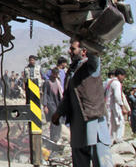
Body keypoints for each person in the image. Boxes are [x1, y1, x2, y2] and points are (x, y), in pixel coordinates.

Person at [52, 38, 112, 167]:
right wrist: (58, 113)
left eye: (73, 48)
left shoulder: (91, 66)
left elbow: (94, 55)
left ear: (84, 51)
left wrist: (86, 36)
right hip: (77, 128)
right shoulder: (71, 71)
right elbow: (68, 96)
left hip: (94, 125)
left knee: (102, 163)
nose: (69, 51)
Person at [105, 68, 127, 144]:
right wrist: (123, 107)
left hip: (108, 106)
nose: (124, 78)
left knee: (111, 124)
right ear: (120, 75)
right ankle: (118, 138)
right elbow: (118, 97)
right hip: (114, 106)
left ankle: (111, 139)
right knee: (120, 122)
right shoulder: (116, 83)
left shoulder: (109, 82)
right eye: (123, 76)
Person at [42, 67, 63, 143]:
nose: (55, 75)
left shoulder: (58, 81)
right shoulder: (47, 82)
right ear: (52, 73)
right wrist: (45, 106)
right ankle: (53, 137)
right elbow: (45, 94)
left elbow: (60, 93)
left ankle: (57, 136)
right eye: (54, 73)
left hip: (58, 103)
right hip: (50, 103)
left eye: (57, 74)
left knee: (59, 120)